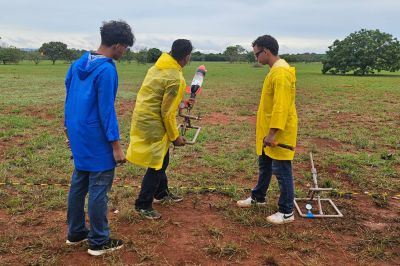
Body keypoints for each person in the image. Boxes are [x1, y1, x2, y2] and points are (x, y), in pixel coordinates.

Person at [64, 20, 134, 256]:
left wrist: (68, 131)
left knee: (79, 182)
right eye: (125, 47)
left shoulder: (77, 64)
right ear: (117, 45)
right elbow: (107, 110)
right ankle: (98, 241)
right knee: (99, 189)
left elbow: (68, 98)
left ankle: (75, 233)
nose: (124, 52)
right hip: (97, 138)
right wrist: (116, 146)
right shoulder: (107, 69)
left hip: (78, 133)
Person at [126, 39, 193, 220]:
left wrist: (181, 102)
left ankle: (161, 193)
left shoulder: (156, 68)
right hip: (154, 123)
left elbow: (159, 97)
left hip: (143, 118)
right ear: (187, 57)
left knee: (162, 159)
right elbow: (167, 113)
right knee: (158, 164)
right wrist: (175, 137)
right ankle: (143, 204)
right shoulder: (175, 78)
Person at [237, 35, 298, 225]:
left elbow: (281, 107)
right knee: (264, 165)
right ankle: (258, 197)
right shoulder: (275, 70)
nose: (256, 58)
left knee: (281, 170)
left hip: (278, 132)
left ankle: (287, 211)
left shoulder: (281, 73)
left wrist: (272, 134)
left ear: (267, 51)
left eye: (257, 54)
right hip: (268, 131)